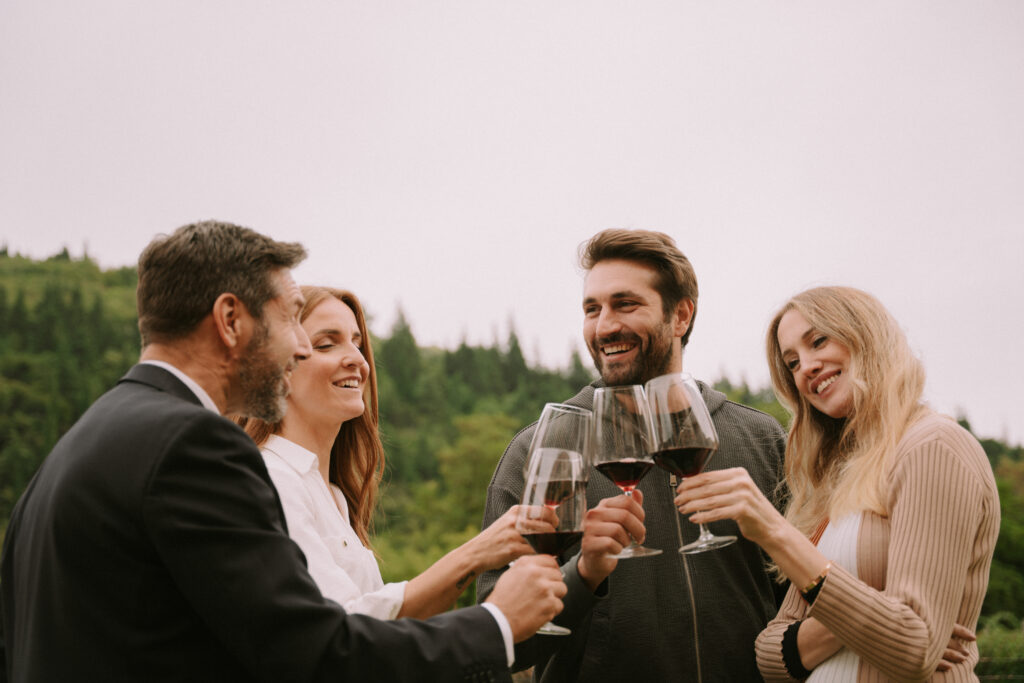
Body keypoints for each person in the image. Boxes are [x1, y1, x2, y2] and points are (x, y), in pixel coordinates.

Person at [0, 220, 566, 683]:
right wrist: (494, 622)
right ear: (230, 321)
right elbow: (313, 653)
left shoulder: (84, 439)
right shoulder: (192, 445)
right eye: (291, 317)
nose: (297, 344)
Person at [479, 228, 789, 681]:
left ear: (681, 315)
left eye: (625, 304)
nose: (605, 326)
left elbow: (799, 600)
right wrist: (582, 575)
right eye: (592, 309)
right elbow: (497, 645)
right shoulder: (540, 450)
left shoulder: (760, 438)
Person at [675, 286, 1000, 680]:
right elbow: (770, 657)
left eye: (819, 341)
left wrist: (775, 533)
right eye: (792, 363)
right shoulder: (840, 477)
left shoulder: (933, 447)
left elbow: (914, 649)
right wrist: (867, 614)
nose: (806, 367)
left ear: (866, 334)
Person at [239, 285, 531, 619]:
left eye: (357, 343)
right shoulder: (273, 480)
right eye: (326, 344)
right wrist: (477, 556)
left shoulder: (333, 494)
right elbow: (344, 627)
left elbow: (382, 636)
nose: (357, 360)